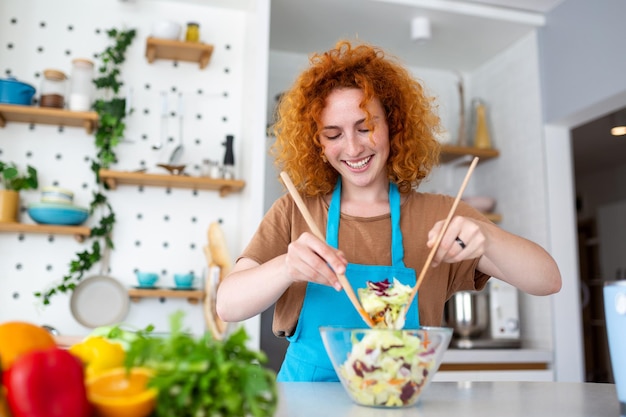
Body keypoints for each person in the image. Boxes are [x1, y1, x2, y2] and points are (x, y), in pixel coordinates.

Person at [216, 40, 562, 382]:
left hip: (396, 400)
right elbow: (228, 305)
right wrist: (287, 267)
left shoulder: (440, 215)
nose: (352, 147)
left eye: (365, 127)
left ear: (394, 127)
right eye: (333, 134)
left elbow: (548, 280)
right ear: (318, 145)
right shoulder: (295, 211)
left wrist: (487, 237)